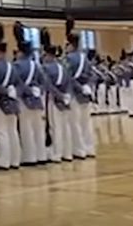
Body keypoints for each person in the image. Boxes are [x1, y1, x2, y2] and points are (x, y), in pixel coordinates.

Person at [0, 24, 21, 170]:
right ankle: (15, 159)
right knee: (12, 130)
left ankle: (3, 160)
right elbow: (19, 83)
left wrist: (5, 91)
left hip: (0, 101)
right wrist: (12, 91)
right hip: (13, 101)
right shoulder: (12, 66)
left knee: (1, 131)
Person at [13, 23, 46, 165]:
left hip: (23, 100)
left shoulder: (17, 65)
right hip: (37, 99)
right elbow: (44, 82)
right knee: (38, 129)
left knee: (26, 129)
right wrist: (38, 90)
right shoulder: (37, 65)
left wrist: (25, 91)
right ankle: (41, 155)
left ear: (20, 52)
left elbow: (16, 82)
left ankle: (29, 157)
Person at [41, 29, 73, 163]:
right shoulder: (63, 67)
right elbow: (69, 83)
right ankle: (68, 153)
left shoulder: (46, 67)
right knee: (66, 126)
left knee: (55, 127)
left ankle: (56, 153)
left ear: (48, 55)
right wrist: (67, 96)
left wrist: (59, 96)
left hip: (54, 99)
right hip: (65, 98)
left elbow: (48, 85)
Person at [65, 20, 96, 160]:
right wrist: (88, 86)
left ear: (71, 45)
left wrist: (79, 87)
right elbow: (92, 75)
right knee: (86, 122)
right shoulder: (85, 58)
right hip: (86, 93)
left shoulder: (68, 58)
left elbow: (68, 77)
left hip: (74, 94)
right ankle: (90, 148)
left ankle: (79, 149)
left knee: (75, 123)